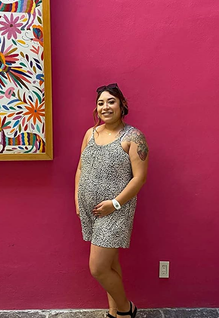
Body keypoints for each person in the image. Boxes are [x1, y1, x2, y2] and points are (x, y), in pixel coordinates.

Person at [75, 83, 149, 318]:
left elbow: (139, 178)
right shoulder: (90, 133)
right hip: (90, 210)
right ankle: (113, 312)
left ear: (122, 105)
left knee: (97, 268)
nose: (105, 107)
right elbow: (80, 168)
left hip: (116, 210)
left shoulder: (134, 137)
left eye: (111, 101)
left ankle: (127, 309)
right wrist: (78, 200)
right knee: (110, 264)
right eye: (100, 103)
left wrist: (114, 204)